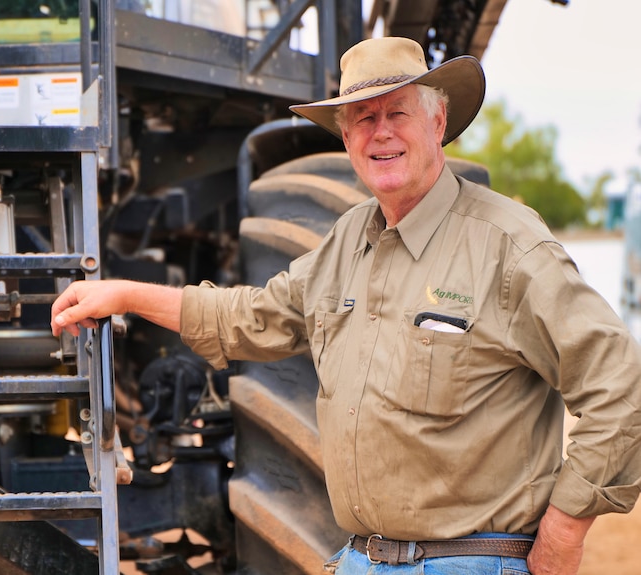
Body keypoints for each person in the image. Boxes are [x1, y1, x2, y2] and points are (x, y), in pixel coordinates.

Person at [51, 37, 641, 574]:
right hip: (361, 559)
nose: (380, 132)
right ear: (346, 139)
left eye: (398, 113)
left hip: (474, 561)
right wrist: (125, 293)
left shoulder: (509, 246)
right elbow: (250, 317)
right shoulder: (348, 240)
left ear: (438, 123)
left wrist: (563, 533)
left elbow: (619, 387)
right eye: (362, 118)